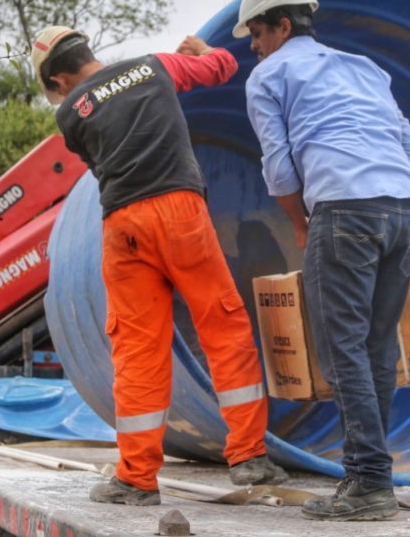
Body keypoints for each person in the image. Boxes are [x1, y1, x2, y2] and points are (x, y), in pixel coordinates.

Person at [31, 26, 287, 506]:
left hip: (122, 226)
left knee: (137, 350)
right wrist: (203, 50)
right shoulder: (154, 66)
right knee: (223, 325)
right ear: (87, 51)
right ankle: (248, 455)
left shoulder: (71, 113)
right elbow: (222, 68)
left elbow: (99, 161)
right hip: (179, 212)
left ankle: (136, 479)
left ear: (59, 79)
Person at [236, 0, 410, 521]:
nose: (254, 46)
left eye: (257, 34)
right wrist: (380, 181)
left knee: (343, 349)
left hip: (343, 210)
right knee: (377, 348)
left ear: (282, 25)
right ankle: (374, 478)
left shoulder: (269, 75)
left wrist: (301, 224)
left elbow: (278, 167)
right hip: (403, 210)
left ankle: (367, 481)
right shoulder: (365, 68)